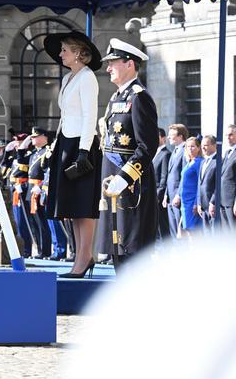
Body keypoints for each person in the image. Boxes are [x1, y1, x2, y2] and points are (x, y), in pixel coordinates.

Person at [42, 30, 102, 277]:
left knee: (83, 204)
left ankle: (85, 257)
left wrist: (83, 152)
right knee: (71, 206)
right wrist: (54, 146)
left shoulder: (87, 78)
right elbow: (65, 115)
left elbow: (90, 117)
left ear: (78, 53)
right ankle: (80, 257)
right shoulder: (68, 78)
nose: (61, 53)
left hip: (82, 144)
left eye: (65, 50)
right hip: (66, 142)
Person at [98, 39, 160, 266]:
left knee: (131, 251)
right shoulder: (116, 98)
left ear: (129, 64)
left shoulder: (139, 97)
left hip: (132, 186)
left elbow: (147, 145)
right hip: (111, 180)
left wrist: (125, 177)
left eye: (113, 62)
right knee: (116, 250)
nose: (108, 68)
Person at [27, 128, 56, 258]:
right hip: (31, 190)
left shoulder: (47, 151)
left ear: (44, 137)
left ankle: (45, 250)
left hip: (41, 190)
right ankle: (39, 249)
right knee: (35, 223)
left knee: (44, 223)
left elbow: (48, 173)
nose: (32, 139)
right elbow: (21, 157)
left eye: (35, 137)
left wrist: (40, 186)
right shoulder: (34, 153)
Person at [209, 124, 236, 233]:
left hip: (232, 201)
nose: (228, 137)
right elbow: (221, 178)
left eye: (231, 135)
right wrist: (213, 201)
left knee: (235, 234)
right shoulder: (227, 153)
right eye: (226, 135)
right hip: (222, 200)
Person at [163, 124, 189, 239]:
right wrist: (165, 195)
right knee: (173, 230)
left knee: (180, 231)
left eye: (172, 135)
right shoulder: (174, 151)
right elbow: (170, 176)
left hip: (178, 197)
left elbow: (184, 176)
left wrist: (178, 195)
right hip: (170, 196)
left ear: (180, 136)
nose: (168, 138)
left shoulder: (185, 151)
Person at [178, 136, 203, 237]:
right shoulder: (189, 162)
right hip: (185, 202)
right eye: (188, 147)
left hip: (192, 201)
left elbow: (199, 184)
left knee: (194, 231)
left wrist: (197, 203)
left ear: (198, 148)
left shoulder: (199, 162)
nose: (190, 149)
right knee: (186, 230)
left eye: (193, 146)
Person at [195, 135, 218, 232]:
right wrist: (199, 203)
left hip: (212, 205)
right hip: (203, 206)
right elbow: (200, 184)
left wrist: (213, 202)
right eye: (202, 145)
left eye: (206, 145)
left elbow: (218, 185)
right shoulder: (203, 162)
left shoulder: (218, 161)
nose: (203, 148)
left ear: (214, 145)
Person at [152, 127, 171, 241]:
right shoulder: (155, 153)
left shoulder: (166, 154)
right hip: (152, 194)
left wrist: (159, 194)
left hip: (159, 195)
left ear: (163, 138)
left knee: (162, 226)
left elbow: (164, 177)